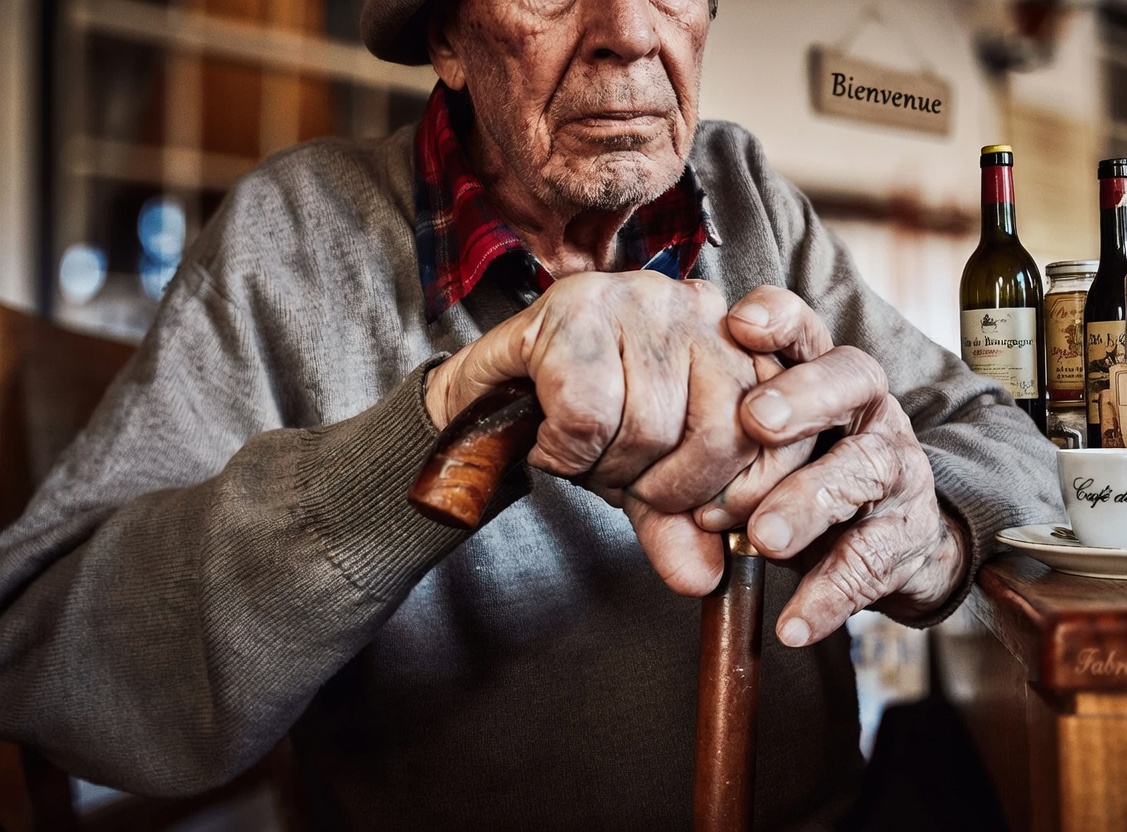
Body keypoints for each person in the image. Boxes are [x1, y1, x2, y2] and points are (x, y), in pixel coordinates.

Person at [0, 0, 1062, 828]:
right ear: (450, 38)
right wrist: (446, 420)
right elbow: (47, 660)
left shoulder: (743, 194)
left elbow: (1015, 451)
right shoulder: (297, 237)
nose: (631, 36)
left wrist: (928, 528)